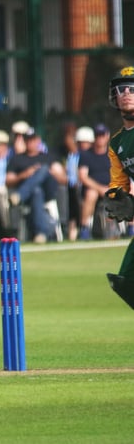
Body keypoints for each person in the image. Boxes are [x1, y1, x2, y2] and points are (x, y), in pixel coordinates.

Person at [104, 66, 134, 308]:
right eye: (121, 89)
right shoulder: (117, 142)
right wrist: (117, 196)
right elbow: (118, 183)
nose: (126, 93)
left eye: (132, 89)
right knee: (126, 282)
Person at [6, 127, 67, 244]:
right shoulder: (17, 159)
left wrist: (49, 173)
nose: (30, 143)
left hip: (48, 190)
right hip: (31, 196)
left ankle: (19, 196)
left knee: (43, 169)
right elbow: (8, 181)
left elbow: (64, 180)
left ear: (38, 141)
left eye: (33, 140)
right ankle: (41, 234)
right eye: (28, 140)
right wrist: (24, 174)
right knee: (36, 191)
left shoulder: (48, 157)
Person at [78, 124, 111, 240]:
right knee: (91, 193)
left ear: (107, 137)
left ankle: (131, 227)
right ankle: (84, 228)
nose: (100, 138)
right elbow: (83, 176)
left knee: (131, 189)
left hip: (112, 187)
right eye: (97, 136)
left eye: (102, 135)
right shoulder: (86, 155)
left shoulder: (114, 154)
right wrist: (100, 188)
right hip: (93, 189)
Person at [62, 125, 90, 240]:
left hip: (87, 187)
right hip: (73, 187)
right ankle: (70, 229)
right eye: (80, 142)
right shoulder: (73, 156)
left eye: (85, 142)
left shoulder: (91, 156)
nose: (82, 145)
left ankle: (81, 228)